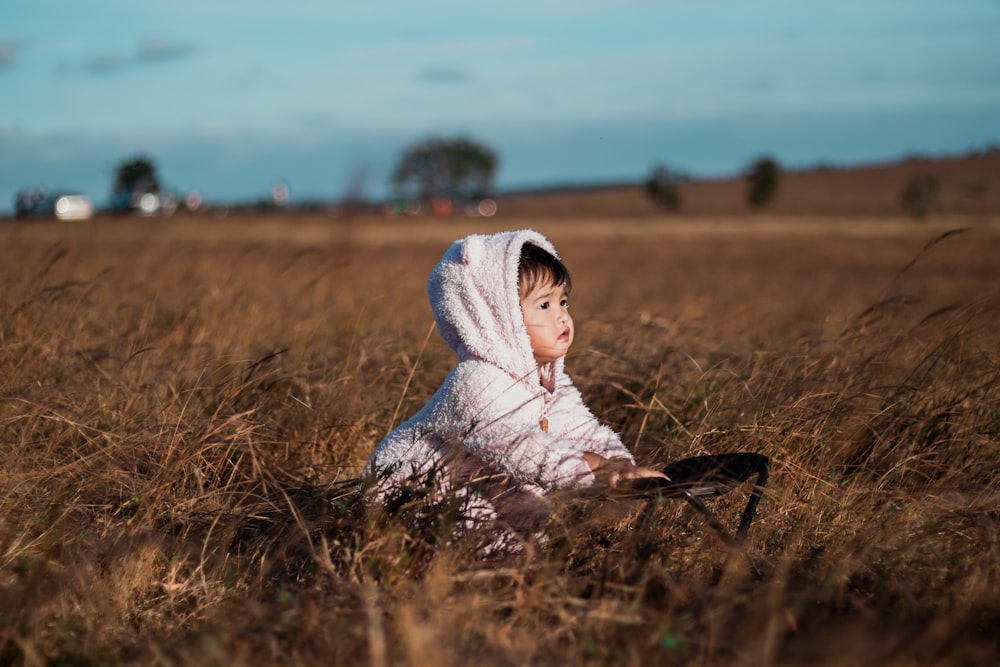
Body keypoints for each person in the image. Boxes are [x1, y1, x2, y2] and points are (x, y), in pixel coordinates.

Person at [361, 229, 664, 549]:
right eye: (544, 305)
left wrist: (621, 467)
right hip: (404, 495)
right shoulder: (476, 382)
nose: (562, 316)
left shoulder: (549, 383)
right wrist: (597, 469)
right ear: (496, 318)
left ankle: (513, 569)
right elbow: (520, 447)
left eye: (563, 301)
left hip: (470, 490)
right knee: (496, 523)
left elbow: (583, 429)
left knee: (524, 518)